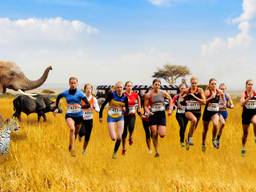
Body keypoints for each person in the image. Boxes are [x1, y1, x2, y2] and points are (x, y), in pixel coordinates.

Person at [55, 77, 90, 157]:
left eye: (74, 83)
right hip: (69, 115)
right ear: (69, 83)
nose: (73, 84)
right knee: (72, 129)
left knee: (76, 133)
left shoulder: (80, 93)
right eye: (71, 83)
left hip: (79, 116)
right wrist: (57, 107)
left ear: (77, 84)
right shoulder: (66, 93)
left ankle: (70, 145)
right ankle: (73, 150)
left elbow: (88, 104)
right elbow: (58, 96)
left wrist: (81, 106)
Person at [99, 81, 129, 159]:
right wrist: (100, 116)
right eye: (118, 87)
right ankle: (114, 143)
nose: (119, 89)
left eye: (121, 87)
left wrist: (125, 110)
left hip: (120, 117)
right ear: (115, 88)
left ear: (123, 88)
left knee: (119, 137)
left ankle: (114, 153)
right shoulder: (111, 95)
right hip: (111, 117)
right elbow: (103, 104)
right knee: (113, 138)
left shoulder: (125, 97)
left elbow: (127, 109)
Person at [144, 79, 173, 157]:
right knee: (154, 133)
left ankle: (157, 148)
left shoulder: (163, 93)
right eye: (155, 84)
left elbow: (171, 100)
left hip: (161, 114)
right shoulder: (148, 94)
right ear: (153, 85)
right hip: (153, 114)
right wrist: (148, 112)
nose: (157, 86)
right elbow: (145, 106)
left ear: (160, 85)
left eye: (158, 85)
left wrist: (170, 109)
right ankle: (157, 151)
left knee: (162, 134)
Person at [202, 78, 224, 152]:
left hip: (215, 112)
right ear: (209, 84)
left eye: (215, 84)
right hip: (207, 112)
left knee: (215, 124)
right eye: (212, 84)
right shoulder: (207, 92)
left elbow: (223, 99)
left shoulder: (219, 91)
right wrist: (211, 97)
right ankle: (203, 143)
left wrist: (223, 103)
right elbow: (203, 102)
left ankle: (214, 139)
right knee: (205, 130)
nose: (214, 85)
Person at [184, 76, 206, 150]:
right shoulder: (187, 90)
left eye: (195, 83)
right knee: (194, 120)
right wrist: (181, 102)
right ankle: (190, 138)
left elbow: (204, 102)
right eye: (192, 83)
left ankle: (187, 140)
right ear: (190, 83)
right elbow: (180, 97)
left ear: (197, 83)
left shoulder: (200, 90)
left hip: (197, 112)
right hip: (188, 111)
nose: (194, 84)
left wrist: (195, 97)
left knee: (194, 128)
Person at [121, 81, 142, 155]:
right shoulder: (123, 94)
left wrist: (139, 107)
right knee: (124, 133)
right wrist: (122, 107)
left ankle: (130, 137)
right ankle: (123, 148)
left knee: (131, 127)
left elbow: (139, 99)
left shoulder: (135, 94)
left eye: (130, 86)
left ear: (132, 87)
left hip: (132, 114)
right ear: (125, 87)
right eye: (128, 86)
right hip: (124, 115)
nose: (129, 87)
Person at [79, 83, 100, 155]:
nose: (88, 90)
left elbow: (98, 108)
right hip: (81, 119)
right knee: (82, 132)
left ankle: (84, 150)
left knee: (87, 136)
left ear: (92, 90)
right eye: (87, 88)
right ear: (85, 89)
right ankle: (80, 135)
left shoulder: (94, 99)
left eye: (90, 88)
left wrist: (95, 108)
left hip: (89, 119)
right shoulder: (81, 98)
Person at [240, 79, 256, 156]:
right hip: (246, 115)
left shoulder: (255, 93)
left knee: (255, 122)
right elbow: (241, 104)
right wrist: (249, 98)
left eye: (252, 84)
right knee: (245, 133)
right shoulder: (244, 93)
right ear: (246, 85)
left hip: (254, 113)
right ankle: (243, 148)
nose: (250, 86)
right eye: (249, 84)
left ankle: (255, 137)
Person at [217, 83, 234, 148]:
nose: (222, 90)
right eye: (221, 89)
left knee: (222, 127)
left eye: (223, 89)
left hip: (224, 112)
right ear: (219, 89)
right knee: (223, 123)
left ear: (225, 89)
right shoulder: (216, 95)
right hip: (217, 112)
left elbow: (232, 104)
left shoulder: (227, 95)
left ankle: (218, 139)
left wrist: (231, 106)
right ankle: (215, 139)